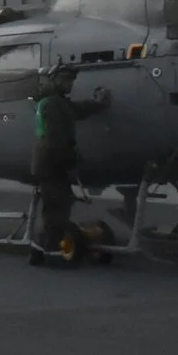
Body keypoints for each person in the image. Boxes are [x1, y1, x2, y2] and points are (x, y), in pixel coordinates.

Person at [30, 64, 110, 257]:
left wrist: (97, 104)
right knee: (56, 208)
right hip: (52, 165)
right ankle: (47, 251)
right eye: (66, 80)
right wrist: (70, 162)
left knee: (58, 206)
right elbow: (55, 140)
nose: (70, 84)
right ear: (55, 80)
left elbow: (76, 110)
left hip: (51, 164)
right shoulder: (52, 104)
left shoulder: (55, 102)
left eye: (71, 80)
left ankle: (46, 249)